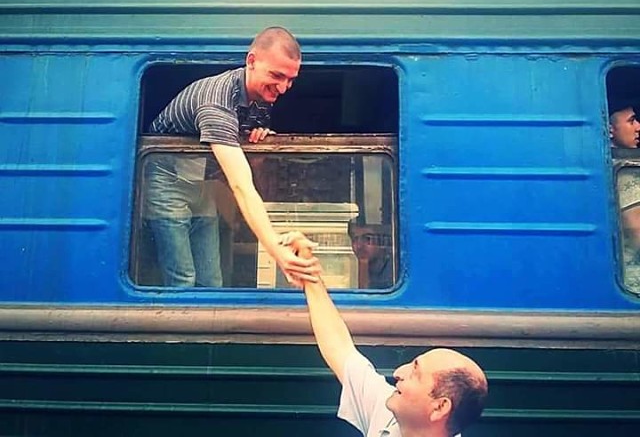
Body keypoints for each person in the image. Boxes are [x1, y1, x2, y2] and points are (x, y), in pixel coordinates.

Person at [144, 26, 320, 287]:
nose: (284, 88)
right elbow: (241, 185)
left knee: (211, 282)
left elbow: (242, 163)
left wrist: (257, 142)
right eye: (277, 75)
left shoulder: (262, 100)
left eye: (291, 79)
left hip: (203, 184)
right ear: (251, 61)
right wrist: (277, 251)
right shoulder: (216, 102)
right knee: (183, 280)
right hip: (165, 180)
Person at [291, 244, 488, 437]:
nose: (398, 372)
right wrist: (307, 270)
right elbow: (338, 346)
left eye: (415, 373)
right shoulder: (387, 415)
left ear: (440, 407)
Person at [610, 106, 640, 292]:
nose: (638, 127)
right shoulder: (627, 176)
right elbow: (637, 231)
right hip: (634, 279)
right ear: (610, 129)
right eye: (631, 121)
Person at [348, 220, 393, 289]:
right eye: (355, 239)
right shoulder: (356, 268)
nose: (359, 246)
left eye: (367, 239)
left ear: (382, 240)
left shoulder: (393, 271)